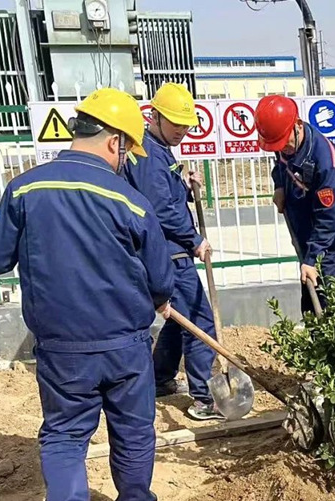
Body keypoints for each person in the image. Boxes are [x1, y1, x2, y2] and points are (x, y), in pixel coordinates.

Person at [0, 88, 174, 501]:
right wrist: (158, 297)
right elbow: (161, 279)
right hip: (126, 347)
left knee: (65, 436)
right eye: (127, 153)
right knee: (134, 430)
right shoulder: (133, 203)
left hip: (62, 349)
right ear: (114, 141)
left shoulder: (23, 190)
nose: (126, 162)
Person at [123, 82, 222, 420]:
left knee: (179, 320)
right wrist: (194, 239)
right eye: (176, 123)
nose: (182, 130)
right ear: (155, 116)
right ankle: (204, 399)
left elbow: (164, 194)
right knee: (199, 319)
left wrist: (184, 180)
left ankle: (160, 378)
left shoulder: (155, 149)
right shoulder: (148, 155)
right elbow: (160, 210)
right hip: (169, 253)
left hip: (167, 250)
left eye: (185, 124)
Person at [254, 95, 335, 314]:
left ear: (297, 126)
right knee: (310, 307)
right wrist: (280, 186)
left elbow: (328, 219)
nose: (283, 149)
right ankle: (313, 344)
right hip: (307, 236)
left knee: (332, 306)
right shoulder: (282, 137)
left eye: (285, 144)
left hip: (332, 246)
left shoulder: (325, 161)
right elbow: (280, 164)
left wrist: (311, 259)